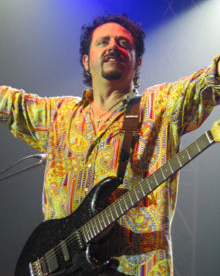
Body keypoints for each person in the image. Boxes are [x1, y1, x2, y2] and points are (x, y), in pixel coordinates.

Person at [0, 14, 219, 276]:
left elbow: (206, 84)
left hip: (135, 268)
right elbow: (10, 104)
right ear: (86, 61)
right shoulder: (57, 115)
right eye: (103, 42)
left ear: (137, 63)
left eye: (123, 43)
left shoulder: (161, 106)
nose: (113, 46)